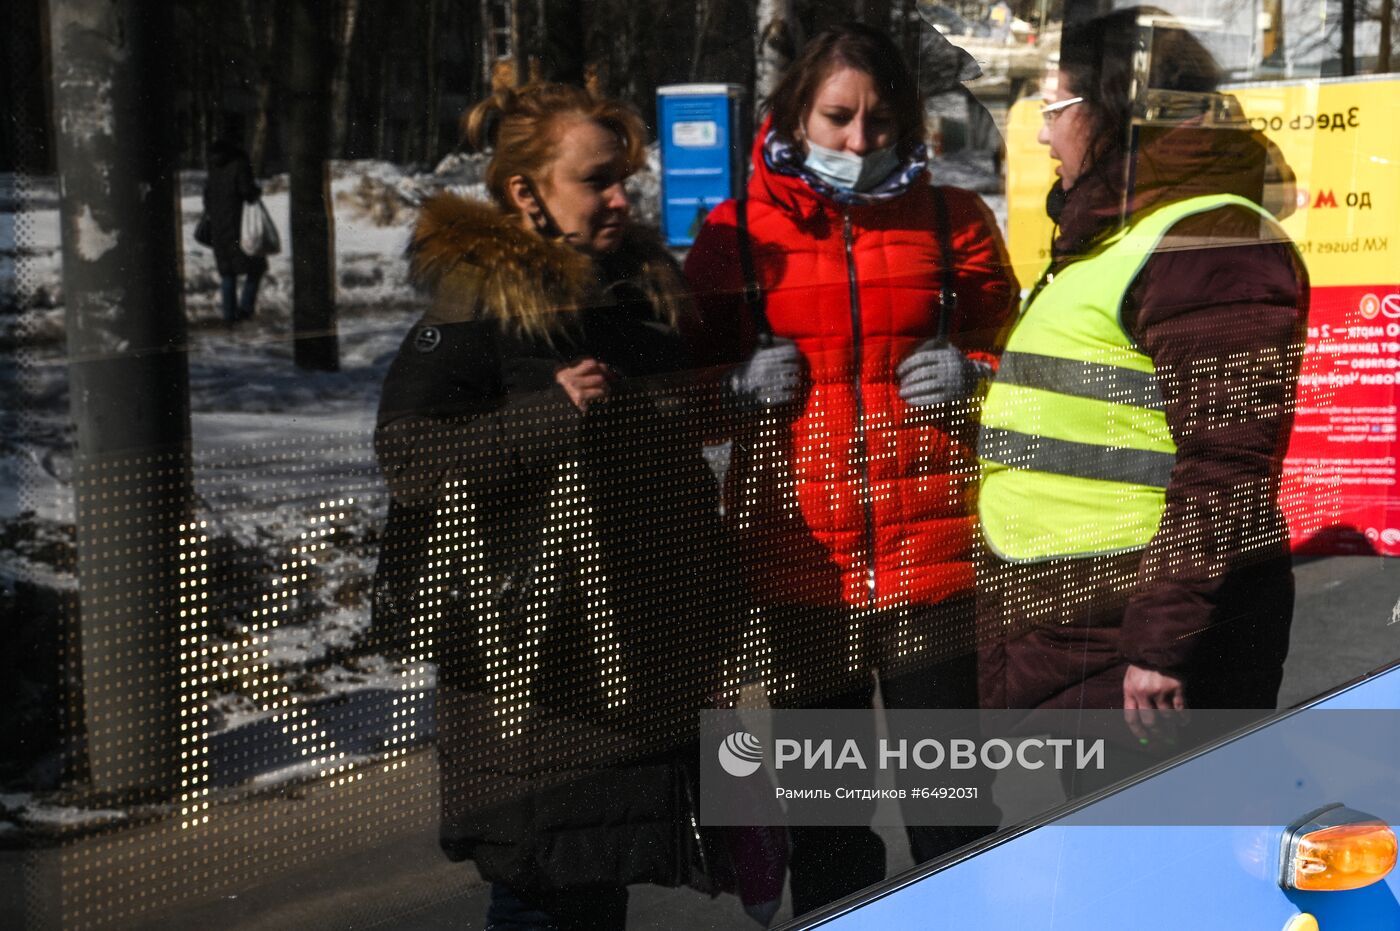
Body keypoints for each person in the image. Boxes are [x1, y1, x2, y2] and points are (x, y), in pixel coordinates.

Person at [373, 82, 739, 930]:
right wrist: (548, 415)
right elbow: (410, 458)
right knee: (546, 888)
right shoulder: (476, 306)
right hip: (536, 679)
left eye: (627, 179)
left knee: (592, 886)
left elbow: (666, 469)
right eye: (597, 180)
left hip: (621, 657)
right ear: (524, 192)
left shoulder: (627, 299)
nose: (622, 198)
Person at [684, 22, 1018, 916]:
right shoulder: (734, 234)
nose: (859, 142)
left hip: (932, 561)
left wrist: (974, 377)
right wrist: (733, 387)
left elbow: (1015, 360)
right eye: (838, 118)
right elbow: (675, 396)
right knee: (828, 819)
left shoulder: (957, 221)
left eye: (878, 120)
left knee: (952, 811)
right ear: (796, 110)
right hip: (802, 568)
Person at [976, 9, 1309, 752]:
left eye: (1053, 107)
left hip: (1135, 635)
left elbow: (1225, 463)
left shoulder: (1206, 240)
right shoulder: (1122, 236)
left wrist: (1162, 641)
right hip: (1083, 619)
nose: (1038, 133)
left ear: (1111, 109)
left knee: (1151, 854)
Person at [203, 134, 265, 324]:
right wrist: (257, 191)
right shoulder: (239, 163)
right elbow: (247, 192)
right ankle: (245, 309)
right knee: (256, 267)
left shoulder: (213, 166)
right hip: (239, 226)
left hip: (218, 227)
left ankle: (229, 316)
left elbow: (207, 196)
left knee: (227, 272)